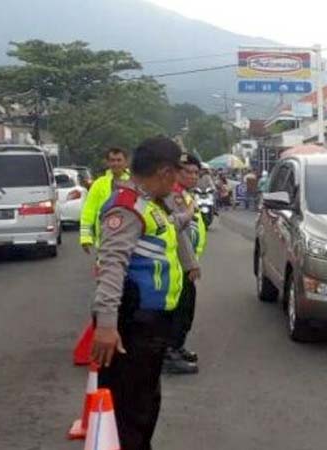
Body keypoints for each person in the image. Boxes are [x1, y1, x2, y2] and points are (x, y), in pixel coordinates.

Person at [90, 137, 200, 450]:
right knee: (130, 408)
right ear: (165, 172)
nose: (179, 181)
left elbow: (167, 228)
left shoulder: (149, 204)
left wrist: (187, 222)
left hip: (149, 323)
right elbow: (111, 267)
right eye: (177, 173)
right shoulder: (126, 208)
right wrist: (108, 326)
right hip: (131, 322)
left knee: (145, 401)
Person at [163, 153, 209, 375]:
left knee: (187, 307)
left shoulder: (185, 195)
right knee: (180, 308)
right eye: (186, 172)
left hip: (185, 261)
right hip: (178, 263)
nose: (192, 176)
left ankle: (177, 346)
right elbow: (179, 233)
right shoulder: (173, 195)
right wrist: (190, 263)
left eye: (195, 172)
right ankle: (170, 352)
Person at [80, 147, 130, 253]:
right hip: (105, 242)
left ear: (126, 162)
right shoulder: (98, 184)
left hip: (131, 242)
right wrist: (85, 238)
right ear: (107, 163)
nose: (115, 164)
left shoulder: (135, 182)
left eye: (119, 160)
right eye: (112, 160)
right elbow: (88, 212)